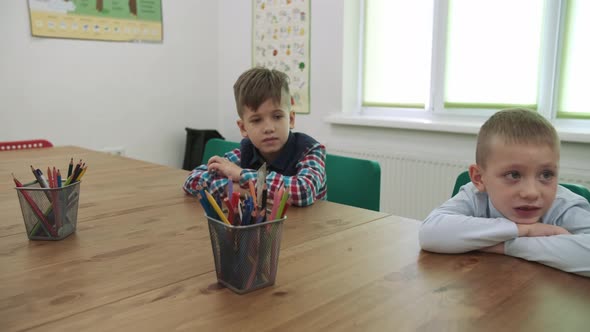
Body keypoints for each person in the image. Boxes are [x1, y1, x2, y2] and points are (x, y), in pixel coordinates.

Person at [419, 108, 590, 277]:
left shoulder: (563, 205)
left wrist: (505, 245)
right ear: (479, 178)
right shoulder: (475, 196)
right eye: (513, 175)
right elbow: (430, 233)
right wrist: (526, 230)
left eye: (546, 175)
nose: (531, 193)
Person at [183, 67, 327, 207]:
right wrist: (241, 191)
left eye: (277, 116)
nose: (269, 128)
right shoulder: (246, 151)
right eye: (257, 120)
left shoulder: (310, 150)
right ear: (243, 128)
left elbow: (304, 191)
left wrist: (240, 174)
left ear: (291, 119)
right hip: (261, 228)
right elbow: (193, 180)